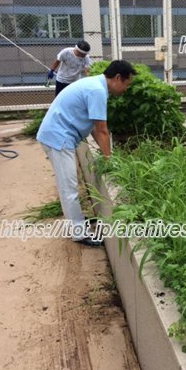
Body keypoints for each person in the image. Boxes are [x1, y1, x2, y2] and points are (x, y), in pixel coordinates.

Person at [37, 60, 136, 247]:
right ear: (117, 78)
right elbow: (101, 130)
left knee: (68, 184)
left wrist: (105, 153)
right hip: (58, 138)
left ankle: (79, 221)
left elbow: (93, 127)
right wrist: (109, 161)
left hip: (58, 135)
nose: (126, 89)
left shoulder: (94, 85)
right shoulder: (97, 91)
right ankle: (79, 233)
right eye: (126, 84)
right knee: (69, 187)